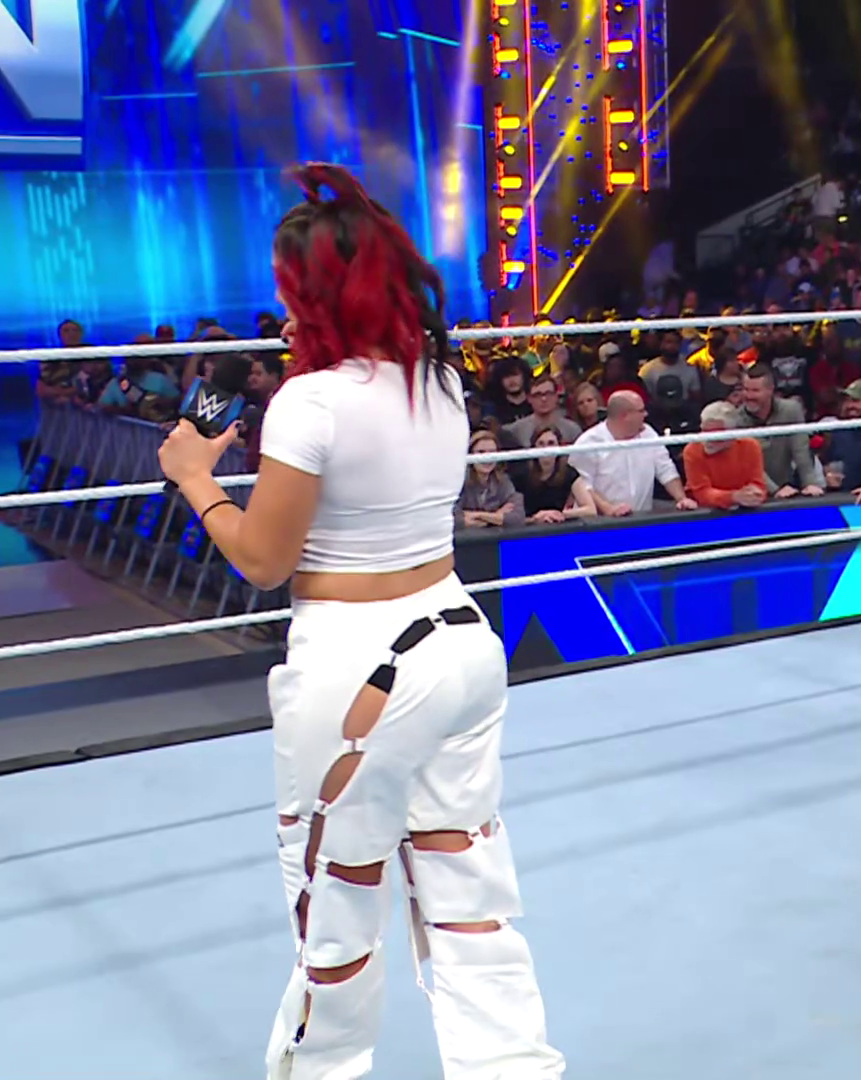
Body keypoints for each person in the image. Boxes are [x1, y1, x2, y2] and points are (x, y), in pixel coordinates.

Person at [156, 163, 566, 1080]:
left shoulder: (311, 402)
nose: (278, 304)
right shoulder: (439, 380)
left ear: (314, 291)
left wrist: (194, 479)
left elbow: (263, 559)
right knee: (469, 897)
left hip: (360, 668)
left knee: (334, 909)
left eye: (287, 287)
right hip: (459, 641)